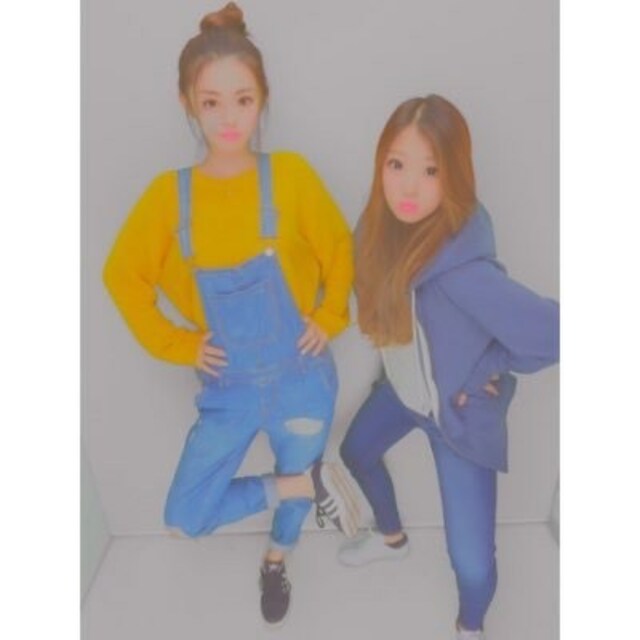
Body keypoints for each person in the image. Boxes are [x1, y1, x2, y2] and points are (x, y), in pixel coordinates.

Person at [103, 2, 359, 627]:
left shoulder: (291, 177)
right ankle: (304, 483)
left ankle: (277, 558)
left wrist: (329, 315)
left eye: (242, 100)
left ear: (262, 98)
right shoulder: (169, 197)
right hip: (229, 391)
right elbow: (121, 276)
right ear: (187, 102)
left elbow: (339, 247)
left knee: (296, 473)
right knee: (185, 515)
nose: (228, 117)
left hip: (302, 377)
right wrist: (180, 344)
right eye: (211, 101)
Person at [338, 94, 559, 640]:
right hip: (403, 393)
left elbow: (555, 331)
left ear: (454, 176)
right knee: (355, 451)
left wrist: (487, 369)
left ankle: (470, 626)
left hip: (457, 417)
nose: (409, 187)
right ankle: (391, 538)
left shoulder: (466, 274)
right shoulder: (374, 232)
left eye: (431, 171)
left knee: (472, 563)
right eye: (397, 164)